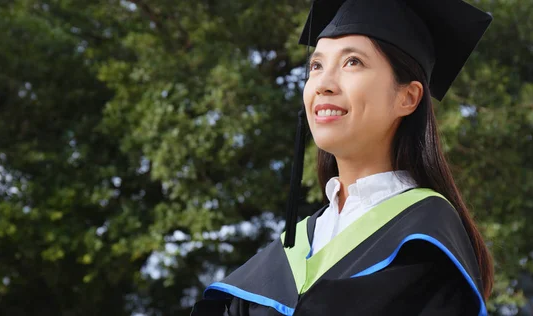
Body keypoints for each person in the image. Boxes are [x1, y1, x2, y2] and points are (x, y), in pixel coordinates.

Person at [191, 0, 494, 315]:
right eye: (316, 66)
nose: (322, 84)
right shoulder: (291, 250)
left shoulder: (425, 241)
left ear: (408, 97)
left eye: (352, 62)